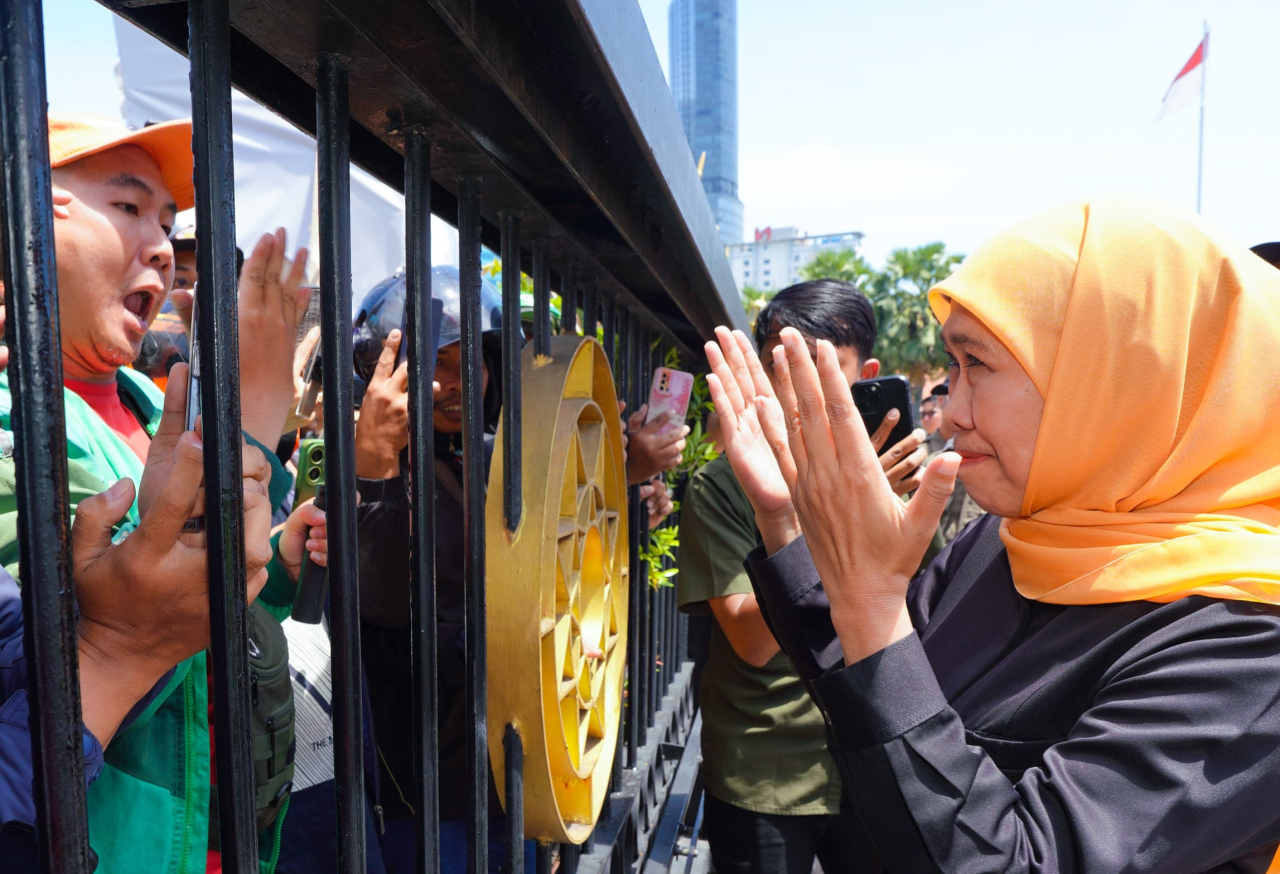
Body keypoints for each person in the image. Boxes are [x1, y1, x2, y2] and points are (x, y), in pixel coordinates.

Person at [704, 195, 1280, 871]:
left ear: (1114, 379)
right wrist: (785, 517)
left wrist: (870, 601)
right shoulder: (1015, 537)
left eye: (978, 365)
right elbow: (870, 672)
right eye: (952, 367)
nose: (952, 413)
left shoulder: (1248, 642)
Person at [0, 113, 316, 873]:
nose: (163, 249)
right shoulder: (17, 423)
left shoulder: (157, 399)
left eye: (170, 223)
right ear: (23, 221)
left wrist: (280, 560)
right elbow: (117, 629)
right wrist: (257, 428)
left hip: (221, 826)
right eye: (129, 207)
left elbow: (226, 606)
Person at [677, 279, 927, 874]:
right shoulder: (724, 486)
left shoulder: (899, 476)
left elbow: (924, 602)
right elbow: (753, 642)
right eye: (777, 369)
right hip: (769, 767)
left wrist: (886, 508)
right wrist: (829, 521)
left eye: (817, 369)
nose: (795, 394)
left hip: (879, 752)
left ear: (864, 373)